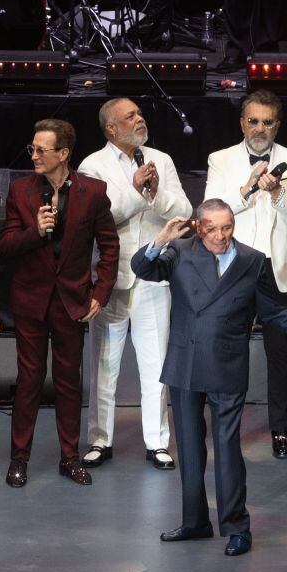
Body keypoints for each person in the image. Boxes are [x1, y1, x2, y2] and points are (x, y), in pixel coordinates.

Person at [134, 205, 287, 557]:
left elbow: (274, 311)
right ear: (198, 228)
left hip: (227, 365)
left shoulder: (252, 261)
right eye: (212, 230)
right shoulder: (178, 251)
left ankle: (237, 526)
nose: (221, 236)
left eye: (227, 228)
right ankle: (195, 522)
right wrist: (161, 238)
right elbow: (142, 268)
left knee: (227, 450)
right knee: (191, 450)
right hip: (185, 365)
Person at [74, 99, 191, 472]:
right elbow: (99, 214)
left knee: (156, 360)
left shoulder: (162, 159)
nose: (140, 119)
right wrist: (137, 190)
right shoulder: (93, 165)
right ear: (111, 129)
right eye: (130, 117)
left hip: (155, 276)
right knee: (104, 364)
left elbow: (184, 212)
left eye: (140, 114)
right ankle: (99, 439)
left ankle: (157, 441)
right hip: (111, 276)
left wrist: (155, 194)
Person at [0, 118, 118, 488]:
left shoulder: (94, 191)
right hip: (30, 301)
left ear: (63, 154)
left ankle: (69, 457)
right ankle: (19, 458)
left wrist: (100, 292)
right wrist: (35, 232)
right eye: (32, 149)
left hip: (72, 302)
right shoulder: (20, 191)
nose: (33, 155)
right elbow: (6, 246)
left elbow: (110, 246)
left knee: (69, 382)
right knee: (29, 380)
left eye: (41, 150)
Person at [204, 89, 287, 460]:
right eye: (253, 121)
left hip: (278, 269)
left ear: (277, 125)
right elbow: (210, 210)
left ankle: (280, 430)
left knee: (279, 353)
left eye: (267, 122)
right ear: (242, 123)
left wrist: (279, 191)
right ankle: (224, 424)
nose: (260, 128)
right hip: (237, 265)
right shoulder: (220, 159)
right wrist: (248, 189)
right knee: (227, 349)